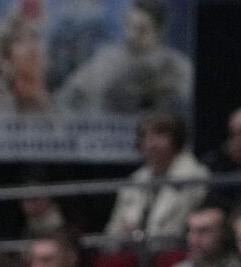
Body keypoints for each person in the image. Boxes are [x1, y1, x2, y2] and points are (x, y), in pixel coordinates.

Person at [57, 0, 192, 117]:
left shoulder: (176, 65)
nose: (131, 36)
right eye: (128, 26)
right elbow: (68, 96)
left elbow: (191, 101)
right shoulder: (107, 59)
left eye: (141, 29)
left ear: (159, 31)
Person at [104, 112, 209, 241]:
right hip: (132, 253)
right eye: (144, 136)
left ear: (176, 139)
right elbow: (113, 230)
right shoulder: (135, 180)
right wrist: (123, 233)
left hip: (176, 252)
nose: (150, 144)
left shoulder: (195, 176)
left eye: (159, 135)